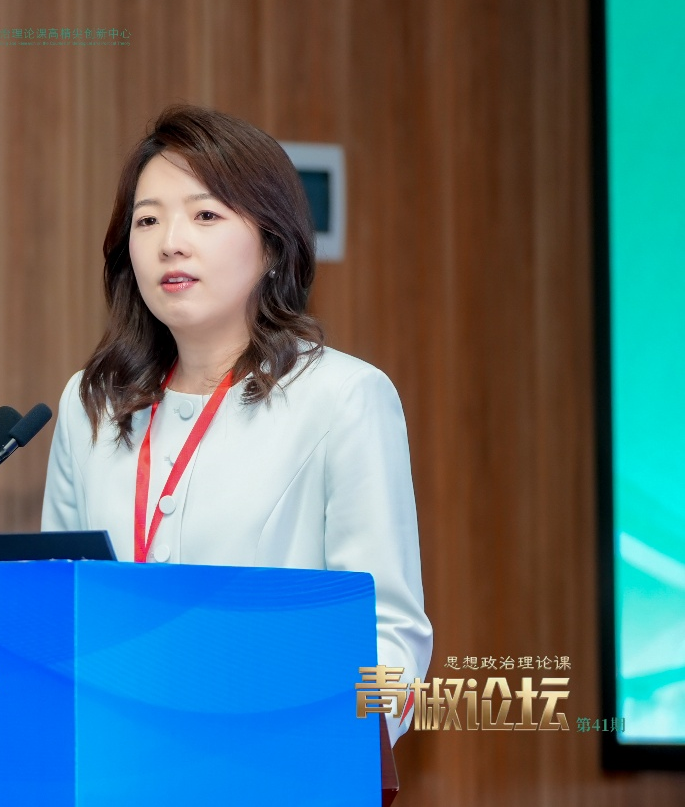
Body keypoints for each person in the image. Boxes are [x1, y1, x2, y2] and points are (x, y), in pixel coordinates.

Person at [40, 104, 432, 743]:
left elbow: (390, 637)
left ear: (272, 245)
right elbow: (55, 613)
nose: (170, 241)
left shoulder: (343, 398)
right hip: (115, 762)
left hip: (272, 763)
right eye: (147, 219)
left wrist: (307, 747)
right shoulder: (94, 405)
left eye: (205, 215)